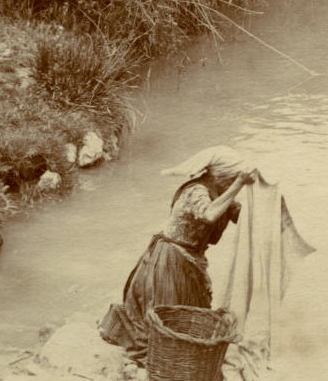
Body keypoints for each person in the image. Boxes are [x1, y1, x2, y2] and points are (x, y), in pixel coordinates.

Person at [99, 146, 255, 365]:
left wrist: (267, 198)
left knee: (193, 315)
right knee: (168, 315)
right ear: (221, 176)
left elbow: (245, 216)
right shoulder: (196, 191)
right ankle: (163, 357)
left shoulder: (222, 194)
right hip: (170, 257)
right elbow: (209, 215)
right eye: (231, 179)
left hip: (192, 260)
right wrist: (239, 184)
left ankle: (183, 355)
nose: (232, 185)